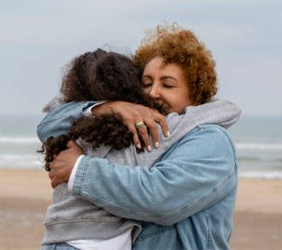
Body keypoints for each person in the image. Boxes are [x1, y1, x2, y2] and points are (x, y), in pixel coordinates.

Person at [37, 24, 240, 250]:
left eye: (167, 84)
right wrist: (106, 107)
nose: (153, 93)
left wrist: (78, 168)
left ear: (195, 92)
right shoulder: (141, 127)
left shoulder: (210, 139)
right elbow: (48, 127)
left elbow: (160, 198)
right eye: (146, 83)